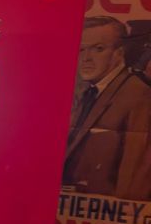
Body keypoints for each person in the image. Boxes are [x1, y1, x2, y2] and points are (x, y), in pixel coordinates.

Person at [64, 16, 151, 200]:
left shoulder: (139, 95)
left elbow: (135, 182)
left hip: (101, 216)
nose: (86, 58)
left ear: (119, 53)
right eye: (81, 50)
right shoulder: (85, 91)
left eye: (98, 49)